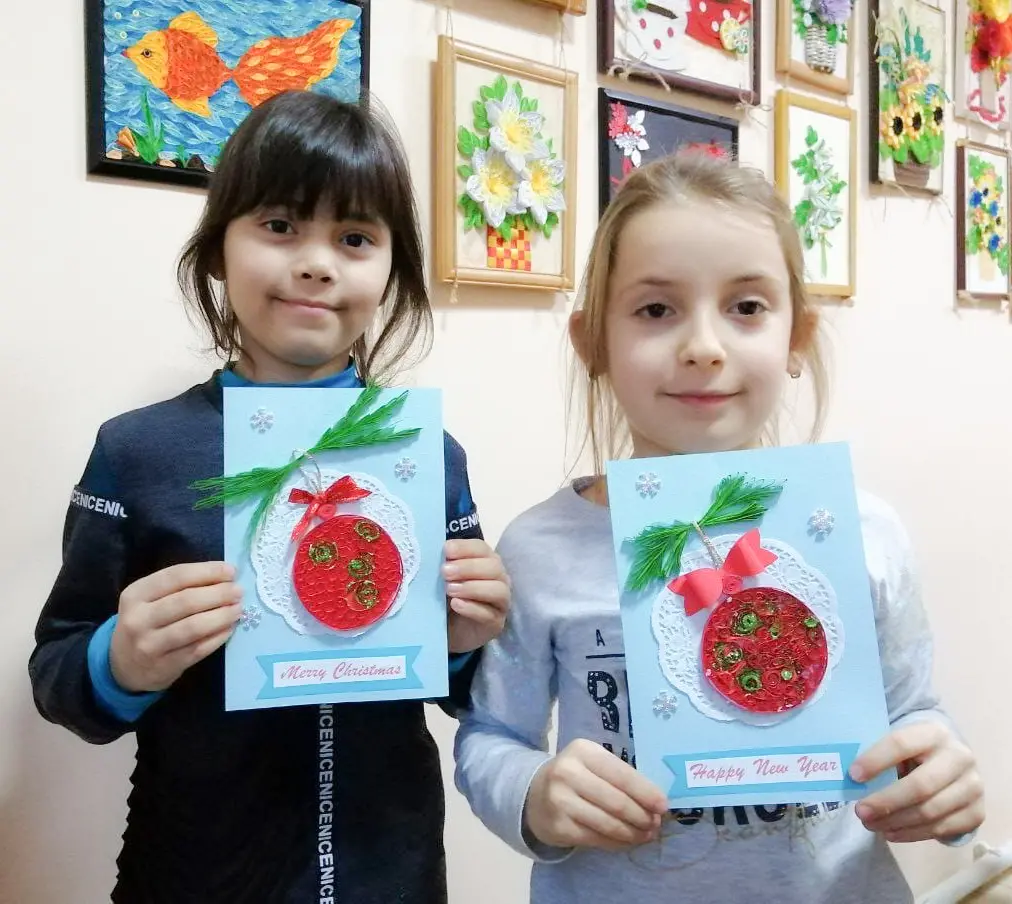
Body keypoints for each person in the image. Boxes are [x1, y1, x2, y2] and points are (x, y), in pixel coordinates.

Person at [453, 153, 984, 903]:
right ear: (593, 342)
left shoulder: (862, 534)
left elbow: (914, 712)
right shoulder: (541, 548)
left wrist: (941, 775)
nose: (704, 346)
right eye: (655, 310)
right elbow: (492, 737)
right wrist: (534, 794)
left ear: (797, 338)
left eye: (747, 307)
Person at [29, 90, 510, 904]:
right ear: (219, 249)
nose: (318, 263)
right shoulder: (137, 452)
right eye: (280, 225)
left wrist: (467, 641)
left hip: (389, 871)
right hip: (196, 873)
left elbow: (470, 690)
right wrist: (120, 660)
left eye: (355, 237)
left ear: (391, 269)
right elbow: (59, 677)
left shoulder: (426, 456)